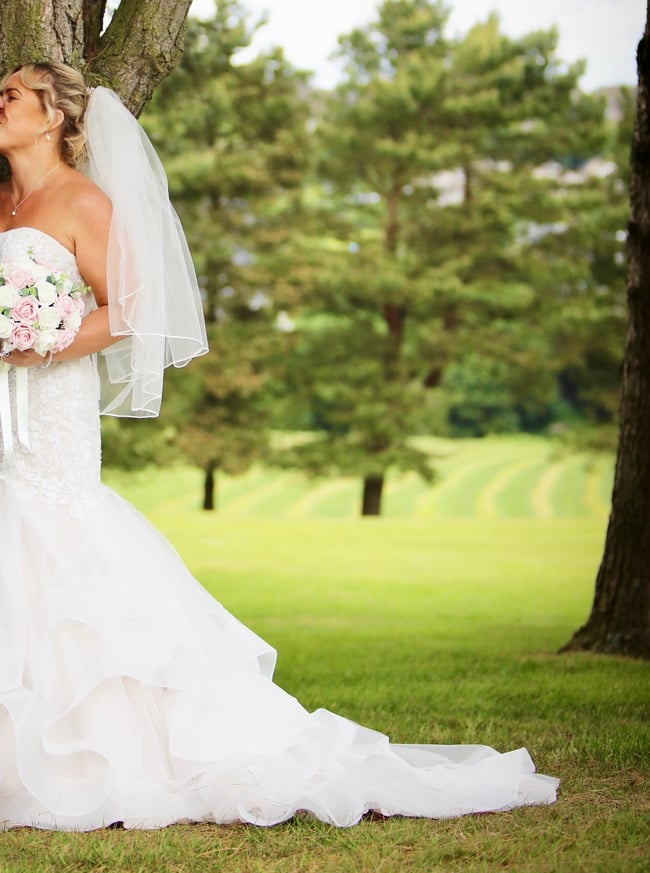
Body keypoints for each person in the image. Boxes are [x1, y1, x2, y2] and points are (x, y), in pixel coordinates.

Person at [0, 61, 559, 831]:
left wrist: (46, 341)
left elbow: (128, 309)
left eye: (10, 97)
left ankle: (97, 751)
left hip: (51, 406)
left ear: (55, 118)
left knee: (62, 544)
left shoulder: (81, 200)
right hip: (5, 409)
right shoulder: (4, 202)